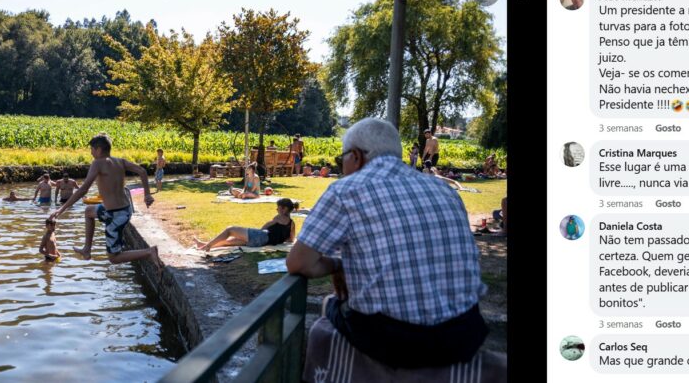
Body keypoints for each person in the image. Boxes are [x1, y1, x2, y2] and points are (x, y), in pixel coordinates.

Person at [287, 118, 488, 370]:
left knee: (331, 306)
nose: (342, 168)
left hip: (395, 341)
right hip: (465, 333)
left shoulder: (345, 191)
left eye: (342, 160)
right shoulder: (444, 189)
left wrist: (338, 265)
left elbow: (298, 263)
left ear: (356, 156)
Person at [49, 133, 160, 266]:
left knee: (113, 258)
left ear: (99, 150)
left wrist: (61, 209)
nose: (91, 152)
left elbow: (83, 189)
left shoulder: (98, 163)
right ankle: (87, 250)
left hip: (116, 215)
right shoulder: (120, 161)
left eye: (92, 149)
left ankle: (149, 252)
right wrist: (147, 195)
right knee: (89, 211)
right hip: (123, 210)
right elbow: (142, 171)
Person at [193, 198, 296, 251]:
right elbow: (291, 239)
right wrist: (280, 238)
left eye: (278, 207)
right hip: (262, 243)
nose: (276, 209)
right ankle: (204, 245)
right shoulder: (292, 223)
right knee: (229, 242)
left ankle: (208, 246)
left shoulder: (278, 217)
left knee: (230, 230)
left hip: (261, 236)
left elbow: (263, 228)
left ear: (284, 208)